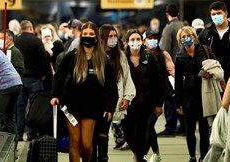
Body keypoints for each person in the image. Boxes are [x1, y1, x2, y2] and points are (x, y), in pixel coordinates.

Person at [50, 21, 118, 162]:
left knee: (87, 145)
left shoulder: (103, 59)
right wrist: (55, 95)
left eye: (91, 34)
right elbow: (59, 77)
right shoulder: (72, 56)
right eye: (85, 34)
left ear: (96, 37)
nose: (88, 36)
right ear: (81, 36)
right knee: (74, 142)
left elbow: (110, 86)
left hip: (92, 107)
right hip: (71, 106)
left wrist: (109, 107)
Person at [174, 26, 221, 162]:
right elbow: (177, 80)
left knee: (204, 128)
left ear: (194, 37)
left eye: (187, 36)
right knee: (190, 129)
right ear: (180, 40)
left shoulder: (204, 49)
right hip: (188, 96)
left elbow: (216, 64)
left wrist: (210, 72)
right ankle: (192, 156)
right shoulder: (179, 56)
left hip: (205, 94)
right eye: (183, 37)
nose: (185, 39)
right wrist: (178, 102)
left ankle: (204, 157)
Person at [91, 24, 136, 162]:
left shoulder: (120, 55)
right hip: (93, 101)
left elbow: (126, 77)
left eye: (115, 36)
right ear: (102, 38)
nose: (113, 39)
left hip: (110, 101)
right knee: (92, 136)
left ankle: (103, 158)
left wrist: (127, 98)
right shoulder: (94, 54)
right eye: (110, 36)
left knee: (103, 134)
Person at [122, 29, 164, 162]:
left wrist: (158, 104)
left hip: (145, 101)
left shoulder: (149, 57)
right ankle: (137, 153)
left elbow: (159, 81)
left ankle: (139, 158)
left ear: (142, 42)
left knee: (141, 133)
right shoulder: (122, 58)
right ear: (127, 42)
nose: (135, 42)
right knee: (128, 132)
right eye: (132, 40)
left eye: (138, 39)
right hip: (127, 102)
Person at [14, 20, 51, 141]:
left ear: (21, 28)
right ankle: (32, 133)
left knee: (20, 107)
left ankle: (18, 134)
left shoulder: (16, 41)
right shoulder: (36, 41)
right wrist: (44, 74)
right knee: (35, 107)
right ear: (31, 28)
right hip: (35, 79)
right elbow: (43, 59)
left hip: (19, 78)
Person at [198, 1, 230, 82]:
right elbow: (200, 55)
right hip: (213, 78)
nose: (216, 16)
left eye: (219, 13)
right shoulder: (205, 34)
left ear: (225, 13)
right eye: (213, 14)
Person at [143, 30, 174, 162]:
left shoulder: (162, 54)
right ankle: (151, 154)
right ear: (144, 41)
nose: (152, 40)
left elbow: (170, 73)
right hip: (143, 98)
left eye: (154, 38)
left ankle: (149, 154)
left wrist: (159, 103)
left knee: (149, 126)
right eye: (149, 38)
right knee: (145, 127)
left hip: (157, 97)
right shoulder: (140, 55)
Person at [158, 3, 184, 137]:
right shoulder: (183, 26)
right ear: (178, 13)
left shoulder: (169, 28)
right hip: (183, 65)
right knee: (181, 97)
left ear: (167, 14)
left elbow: (165, 50)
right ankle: (183, 126)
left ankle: (170, 127)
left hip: (172, 67)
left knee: (170, 98)